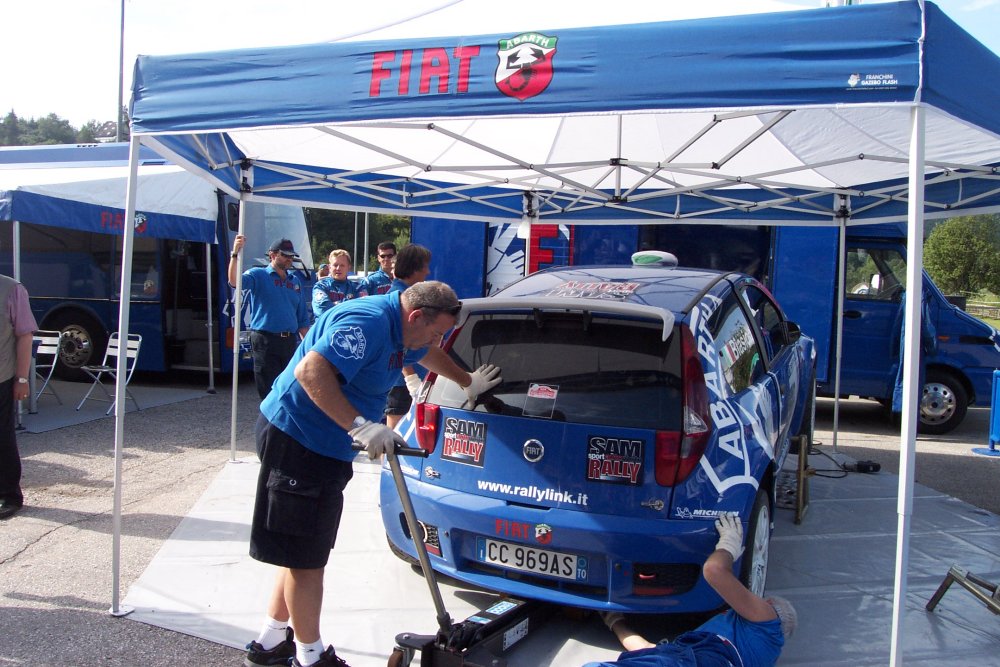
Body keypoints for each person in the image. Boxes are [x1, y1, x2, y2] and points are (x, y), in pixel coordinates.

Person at [243, 280, 502, 667]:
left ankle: (271, 641)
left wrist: (468, 382)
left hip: (325, 443)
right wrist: (360, 425)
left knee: (300, 550)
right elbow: (309, 370)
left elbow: (425, 351)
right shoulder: (366, 322)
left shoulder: (406, 328)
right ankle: (310, 658)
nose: (437, 339)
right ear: (415, 315)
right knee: (307, 558)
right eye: (436, 331)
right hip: (298, 439)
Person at [584, 515, 796, 667]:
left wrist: (728, 548)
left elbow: (714, 571)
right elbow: (647, 647)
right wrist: (614, 621)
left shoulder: (769, 621)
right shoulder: (761, 650)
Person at [229, 235, 311, 400]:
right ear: (272, 255)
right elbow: (234, 281)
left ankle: (283, 424)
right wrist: (235, 253)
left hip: (289, 341)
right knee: (268, 391)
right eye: (285, 255)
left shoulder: (295, 281)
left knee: (289, 389)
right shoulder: (259, 275)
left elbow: (302, 318)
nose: (289, 259)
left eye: (291, 256)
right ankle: (268, 423)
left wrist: (309, 346)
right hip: (265, 340)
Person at [0, 275, 38, 520]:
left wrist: (22, 379)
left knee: (2, 437)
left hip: (1, 376)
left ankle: (9, 495)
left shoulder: (11, 289)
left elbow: (25, 335)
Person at [385, 243, 433, 429]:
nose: (428, 272)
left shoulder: (407, 296)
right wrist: (411, 379)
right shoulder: (401, 299)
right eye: (425, 267)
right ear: (415, 269)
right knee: (394, 435)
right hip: (402, 381)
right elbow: (400, 344)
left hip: (413, 377)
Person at [312, 249, 368, 319]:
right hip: (328, 328)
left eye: (342, 265)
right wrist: (350, 305)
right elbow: (323, 311)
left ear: (348, 267)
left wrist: (334, 304)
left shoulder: (358, 287)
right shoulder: (321, 286)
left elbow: (363, 309)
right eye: (335, 265)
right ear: (329, 267)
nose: (338, 268)